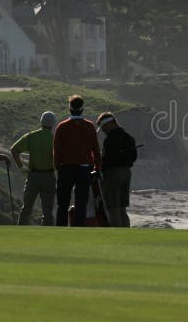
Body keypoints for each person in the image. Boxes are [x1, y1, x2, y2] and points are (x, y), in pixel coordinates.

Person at [53, 95, 101, 227]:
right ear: (82, 109)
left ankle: (60, 228)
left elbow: (56, 151)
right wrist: (97, 168)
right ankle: (78, 228)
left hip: (65, 168)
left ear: (70, 109)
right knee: (81, 203)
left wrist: (58, 167)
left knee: (62, 204)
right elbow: (96, 150)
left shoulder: (62, 127)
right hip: (84, 169)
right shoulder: (89, 126)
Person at [10, 111, 57, 225]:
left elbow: (14, 150)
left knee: (26, 208)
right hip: (49, 177)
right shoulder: (54, 139)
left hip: (33, 176)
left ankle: (21, 233)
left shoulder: (32, 136)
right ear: (53, 124)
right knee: (47, 211)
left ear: (41, 121)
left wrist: (21, 166)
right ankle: (47, 236)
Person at [97, 112, 138, 227]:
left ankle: (117, 236)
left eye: (103, 127)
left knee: (113, 208)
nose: (103, 130)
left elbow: (105, 160)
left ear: (110, 124)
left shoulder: (109, 140)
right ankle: (126, 236)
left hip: (112, 174)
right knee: (122, 208)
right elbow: (133, 157)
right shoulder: (128, 137)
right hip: (126, 173)